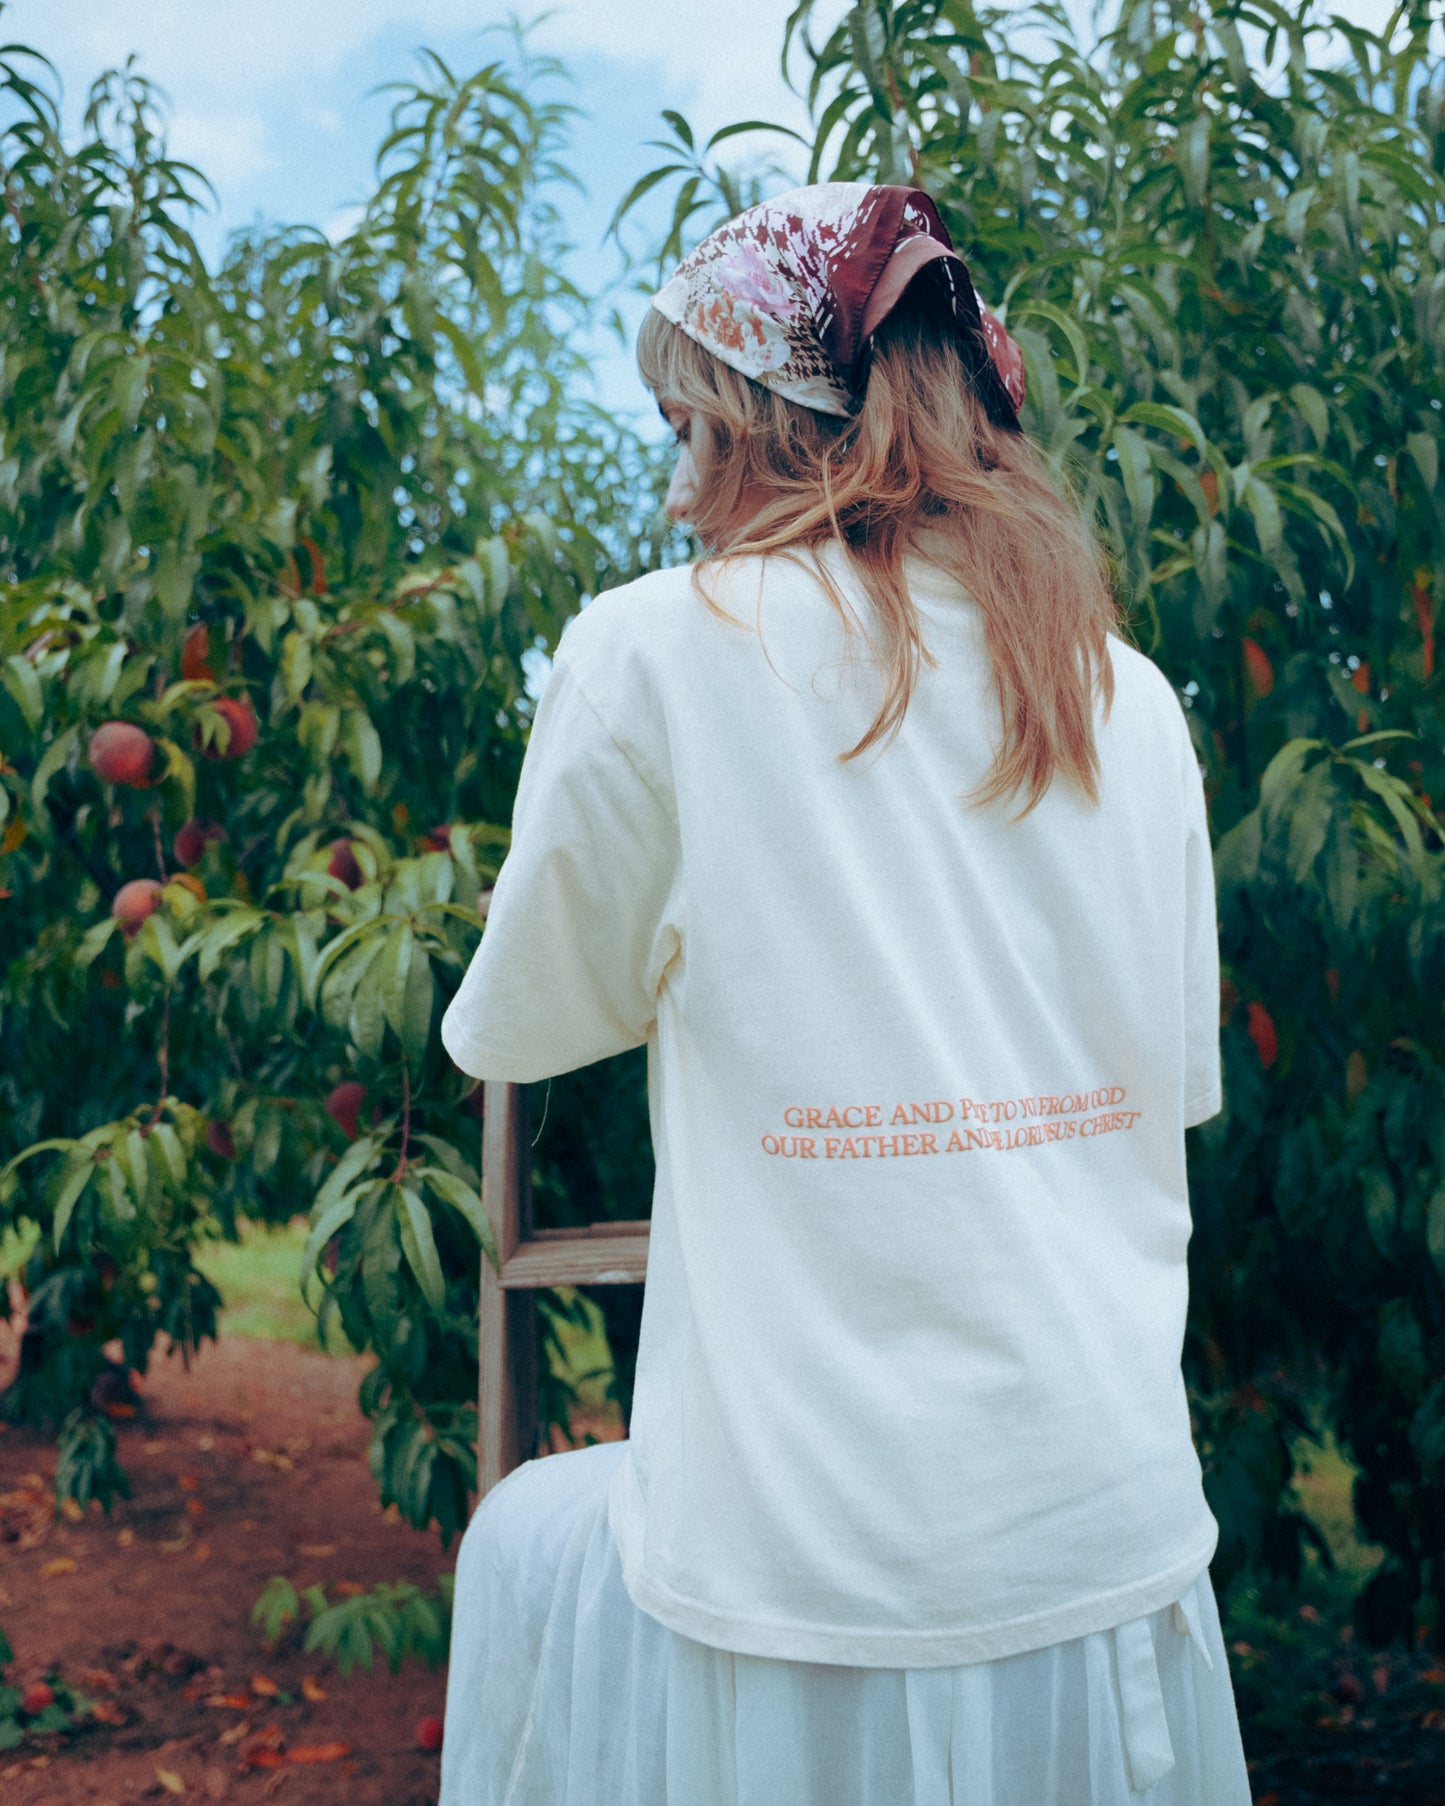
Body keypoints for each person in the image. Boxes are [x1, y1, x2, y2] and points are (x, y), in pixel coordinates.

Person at [436, 182, 1254, 1806]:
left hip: (805, 1550)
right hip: (1101, 1526)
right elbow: (1168, 1083)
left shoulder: (660, 654)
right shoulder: (1120, 690)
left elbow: (519, 1024)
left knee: (522, 1537)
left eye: (690, 431)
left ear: (770, 428)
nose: (681, 492)